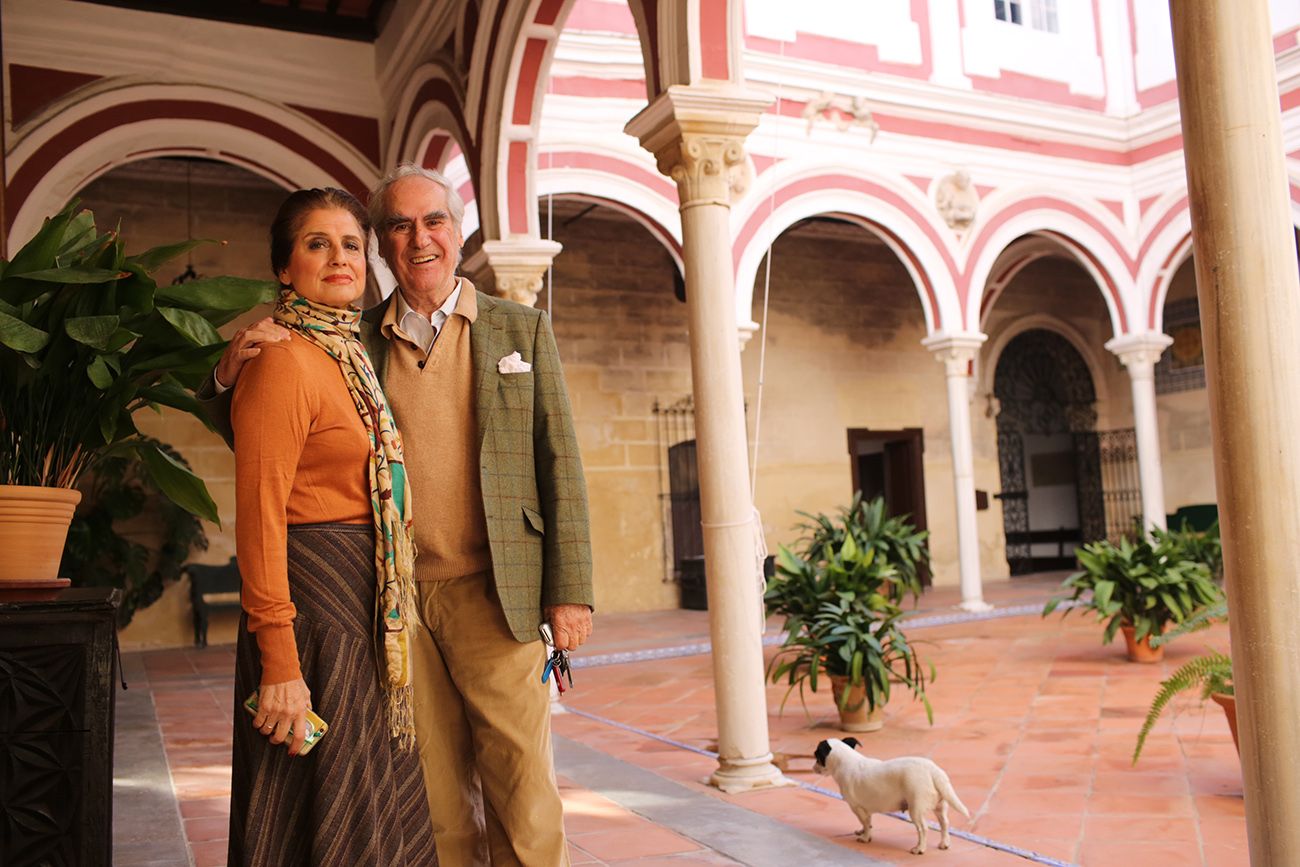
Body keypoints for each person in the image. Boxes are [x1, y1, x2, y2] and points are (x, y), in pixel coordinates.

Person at [206, 164, 594, 867]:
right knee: (429, 795)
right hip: (395, 603)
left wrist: (569, 588)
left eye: (435, 221)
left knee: (523, 792)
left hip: (496, 592)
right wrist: (226, 376)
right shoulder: (356, 341)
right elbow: (275, 444)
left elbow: (559, 459)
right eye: (399, 226)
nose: (421, 238)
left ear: (457, 232)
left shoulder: (518, 328)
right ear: (386, 244)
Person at [223, 187, 436, 865]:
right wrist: (281, 662)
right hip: (314, 610)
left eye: (350, 244)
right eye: (317, 244)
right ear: (285, 268)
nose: (339, 258)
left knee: (364, 797)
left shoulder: (347, 354)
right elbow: (260, 513)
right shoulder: (281, 357)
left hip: (359, 597)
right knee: (328, 805)